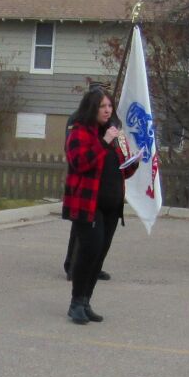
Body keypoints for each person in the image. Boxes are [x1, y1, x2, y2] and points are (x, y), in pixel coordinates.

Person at [61, 86, 138, 323]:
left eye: (109, 106)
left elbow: (123, 169)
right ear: (92, 108)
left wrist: (134, 160)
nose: (107, 111)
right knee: (88, 251)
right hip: (88, 203)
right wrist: (104, 142)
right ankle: (75, 302)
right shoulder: (80, 133)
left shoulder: (113, 134)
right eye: (102, 106)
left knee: (99, 255)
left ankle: (86, 300)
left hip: (111, 206)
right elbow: (81, 162)